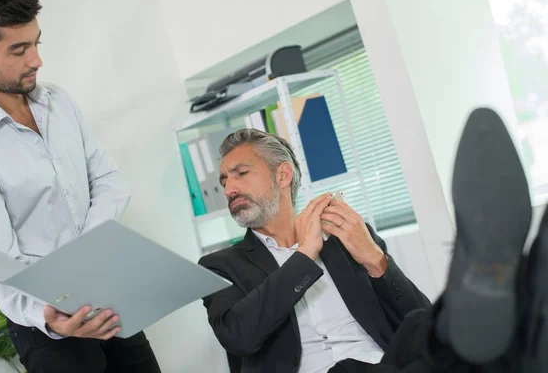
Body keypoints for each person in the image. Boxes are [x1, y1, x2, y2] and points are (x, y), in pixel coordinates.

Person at [198, 116, 546, 372]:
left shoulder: (345, 234)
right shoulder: (219, 266)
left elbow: (414, 314)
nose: (229, 189)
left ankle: (506, 286)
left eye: (241, 173)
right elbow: (240, 336)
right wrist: (305, 253)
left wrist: (376, 260)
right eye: (224, 180)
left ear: (283, 175)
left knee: (430, 333)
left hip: (388, 363)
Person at [0, 0, 160, 373]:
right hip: (46, 323)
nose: (37, 60)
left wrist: (87, 253)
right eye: (19, 49)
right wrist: (48, 315)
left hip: (105, 291)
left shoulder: (59, 103)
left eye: (36, 43)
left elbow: (109, 181)